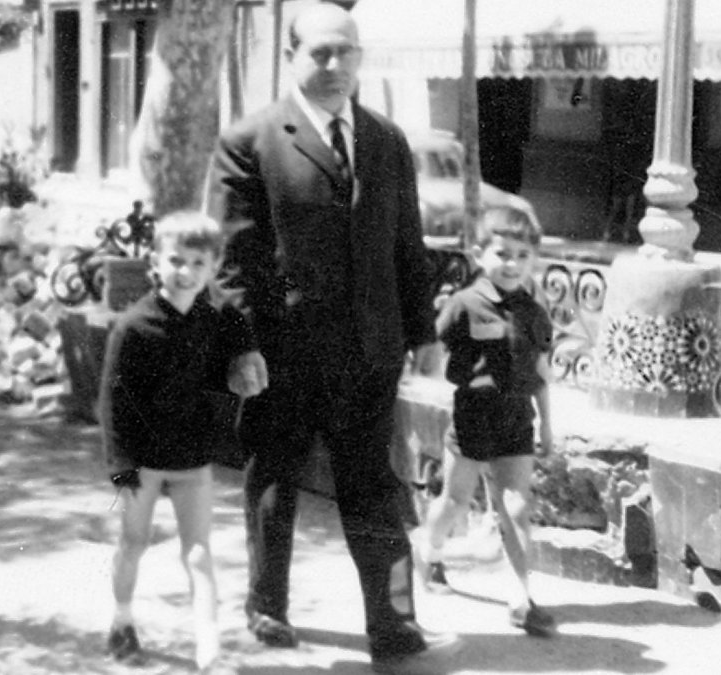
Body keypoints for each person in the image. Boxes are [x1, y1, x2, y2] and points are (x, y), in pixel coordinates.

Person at [208, 2, 447, 667]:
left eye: (347, 51)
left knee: (373, 488)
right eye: (320, 53)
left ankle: (393, 623)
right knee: (276, 483)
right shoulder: (251, 140)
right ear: (291, 57)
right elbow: (231, 258)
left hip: (369, 356)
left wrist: (423, 330)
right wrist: (240, 343)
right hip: (282, 358)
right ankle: (267, 602)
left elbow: (408, 244)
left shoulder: (386, 140)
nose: (336, 65)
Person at [98, 211, 261, 670]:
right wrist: (120, 465)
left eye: (196, 262)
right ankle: (122, 619)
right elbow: (112, 401)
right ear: (155, 262)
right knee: (132, 543)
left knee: (199, 551)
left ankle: (208, 647)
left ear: (212, 267)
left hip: (191, 457)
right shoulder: (135, 326)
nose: (184, 271)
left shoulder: (216, 318)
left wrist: (246, 354)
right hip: (142, 460)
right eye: (175, 260)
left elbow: (240, 327)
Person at [420, 205, 558, 637]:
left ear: (533, 260)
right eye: (502, 253)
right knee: (455, 503)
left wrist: (549, 425)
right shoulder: (464, 304)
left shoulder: (535, 313)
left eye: (522, 254)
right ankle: (430, 552)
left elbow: (541, 376)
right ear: (481, 254)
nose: (512, 263)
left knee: (516, 508)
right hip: (473, 420)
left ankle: (521, 597)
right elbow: (429, 348)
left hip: (518, 421)